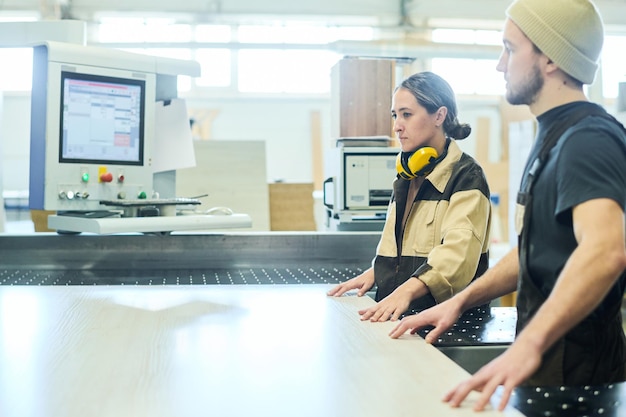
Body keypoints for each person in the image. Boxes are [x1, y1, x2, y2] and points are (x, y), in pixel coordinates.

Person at [389, 0, 626, 412]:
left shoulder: (587, 140)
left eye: (510, 49)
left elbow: (606, 249)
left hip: (577, 375)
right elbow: (535, 252)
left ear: (550, 57)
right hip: (549, 365)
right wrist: (459, 301)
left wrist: (529, 344)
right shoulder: (553, 137)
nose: (501, 64)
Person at [327, 71, 492, 322]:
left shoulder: (467, 177)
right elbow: (408, 246)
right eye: (395, 115)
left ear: (439, 115)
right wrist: (377, 272)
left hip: (446, 322)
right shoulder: (407, 175)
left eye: (406, 114)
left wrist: (406, 290)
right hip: (403, 317)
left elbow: (457, 257)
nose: (396, 126)